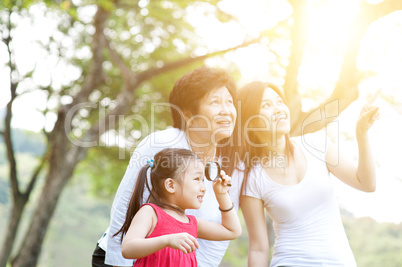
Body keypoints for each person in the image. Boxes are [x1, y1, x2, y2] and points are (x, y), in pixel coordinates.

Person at [92, 66, 241, 267]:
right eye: (215, 102)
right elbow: (126, 205)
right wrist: (119, 263)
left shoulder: (228, 166)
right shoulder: (162, 144)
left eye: (229, 102)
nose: (226, 110)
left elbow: (223, 235)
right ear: (188, 114)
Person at [230, 81, 379, 267]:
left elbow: (366, 183)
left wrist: (362, 133)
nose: (278, 109)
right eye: (266, 105)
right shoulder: (252, 177)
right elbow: (258, 248)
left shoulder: (316, 145)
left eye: (279, 102)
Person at [115, 148, 241, 266]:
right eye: (197, 179)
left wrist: (222, 194)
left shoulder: (191, 223)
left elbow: (232, 231)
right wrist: (167, 240)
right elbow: (128, 248)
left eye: (203, 180)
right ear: (170, 185)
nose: (204, 187)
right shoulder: (150, 213)